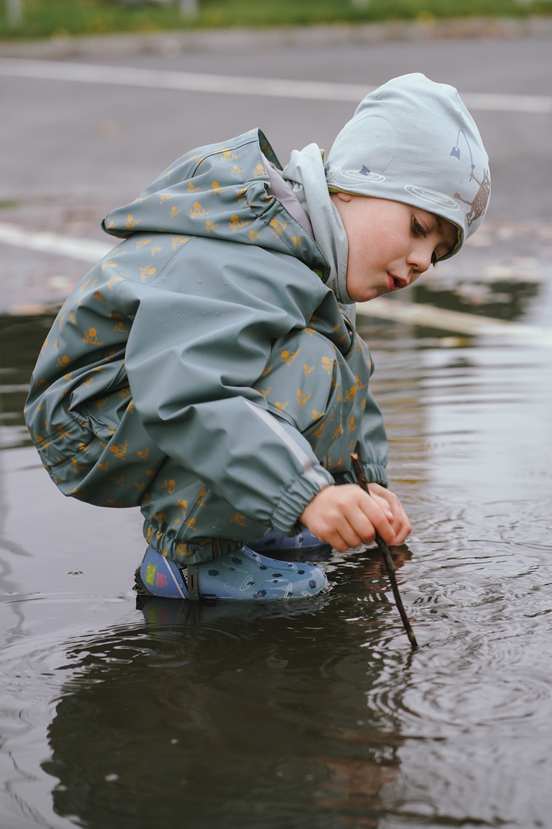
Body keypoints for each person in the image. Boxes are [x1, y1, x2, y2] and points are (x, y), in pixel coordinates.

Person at [24, 73, 490, 602]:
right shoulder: (245, 255)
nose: (421, 261)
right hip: (94, 418)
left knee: (330, 357)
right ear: (353, 187)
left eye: (439, 252)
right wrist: (305, 493)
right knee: (308, 362)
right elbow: (192, 392)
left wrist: (360, 484)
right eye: (418, 227)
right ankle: (188, 559)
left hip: (151, 397)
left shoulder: (306, 253)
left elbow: (349, 370)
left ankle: (251, 513)